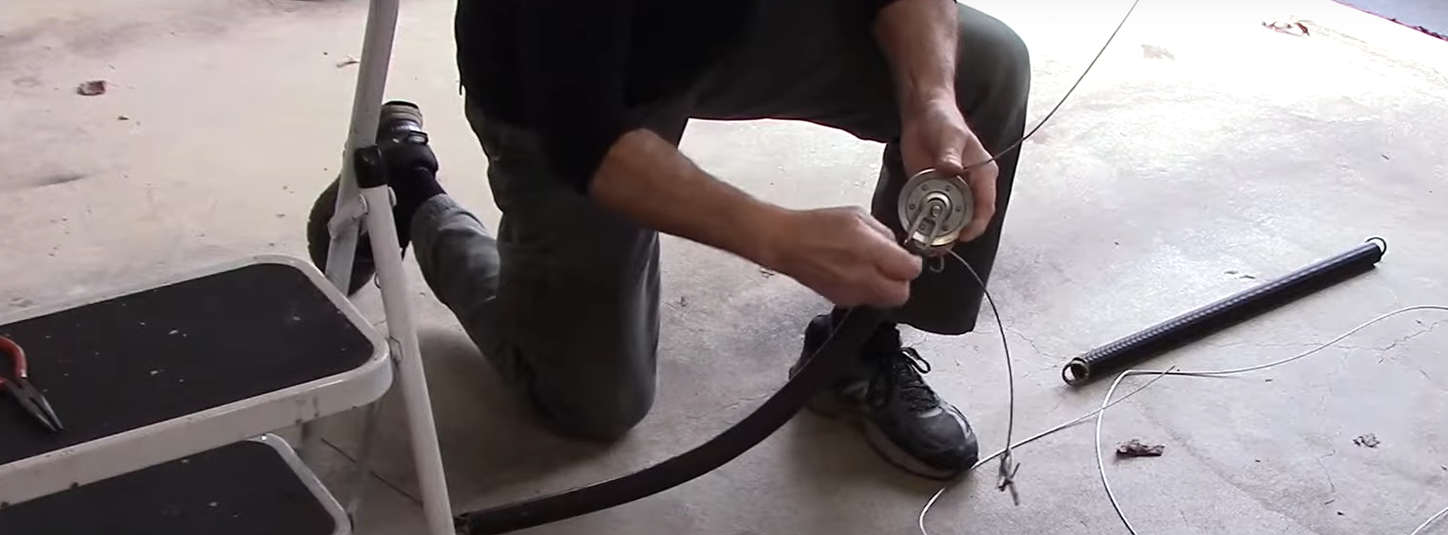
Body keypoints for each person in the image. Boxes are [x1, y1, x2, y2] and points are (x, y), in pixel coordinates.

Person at [308, 0, 1031, 480]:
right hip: (561, 88)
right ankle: (411, 193)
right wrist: (778, 236)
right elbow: (584, 137)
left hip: (723, 25)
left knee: (985, 66)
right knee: (590, 402)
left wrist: (932, 100)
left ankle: (858, 347)